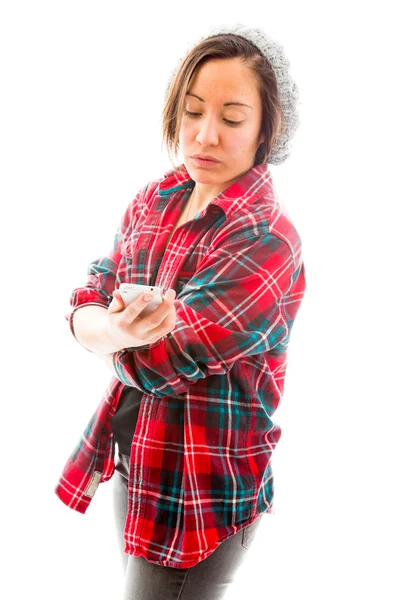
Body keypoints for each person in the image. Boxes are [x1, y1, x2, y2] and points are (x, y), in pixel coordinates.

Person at [54, 23, 306, 599]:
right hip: (138, 457)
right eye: (192, 112)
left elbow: (160, 362)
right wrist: (107, 326)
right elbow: (91, 290)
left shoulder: (267, 237)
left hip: (204, 490)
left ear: (268, 128)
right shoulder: (157, 197)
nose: (206, 135)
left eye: (232, 118)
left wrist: (104, 333)